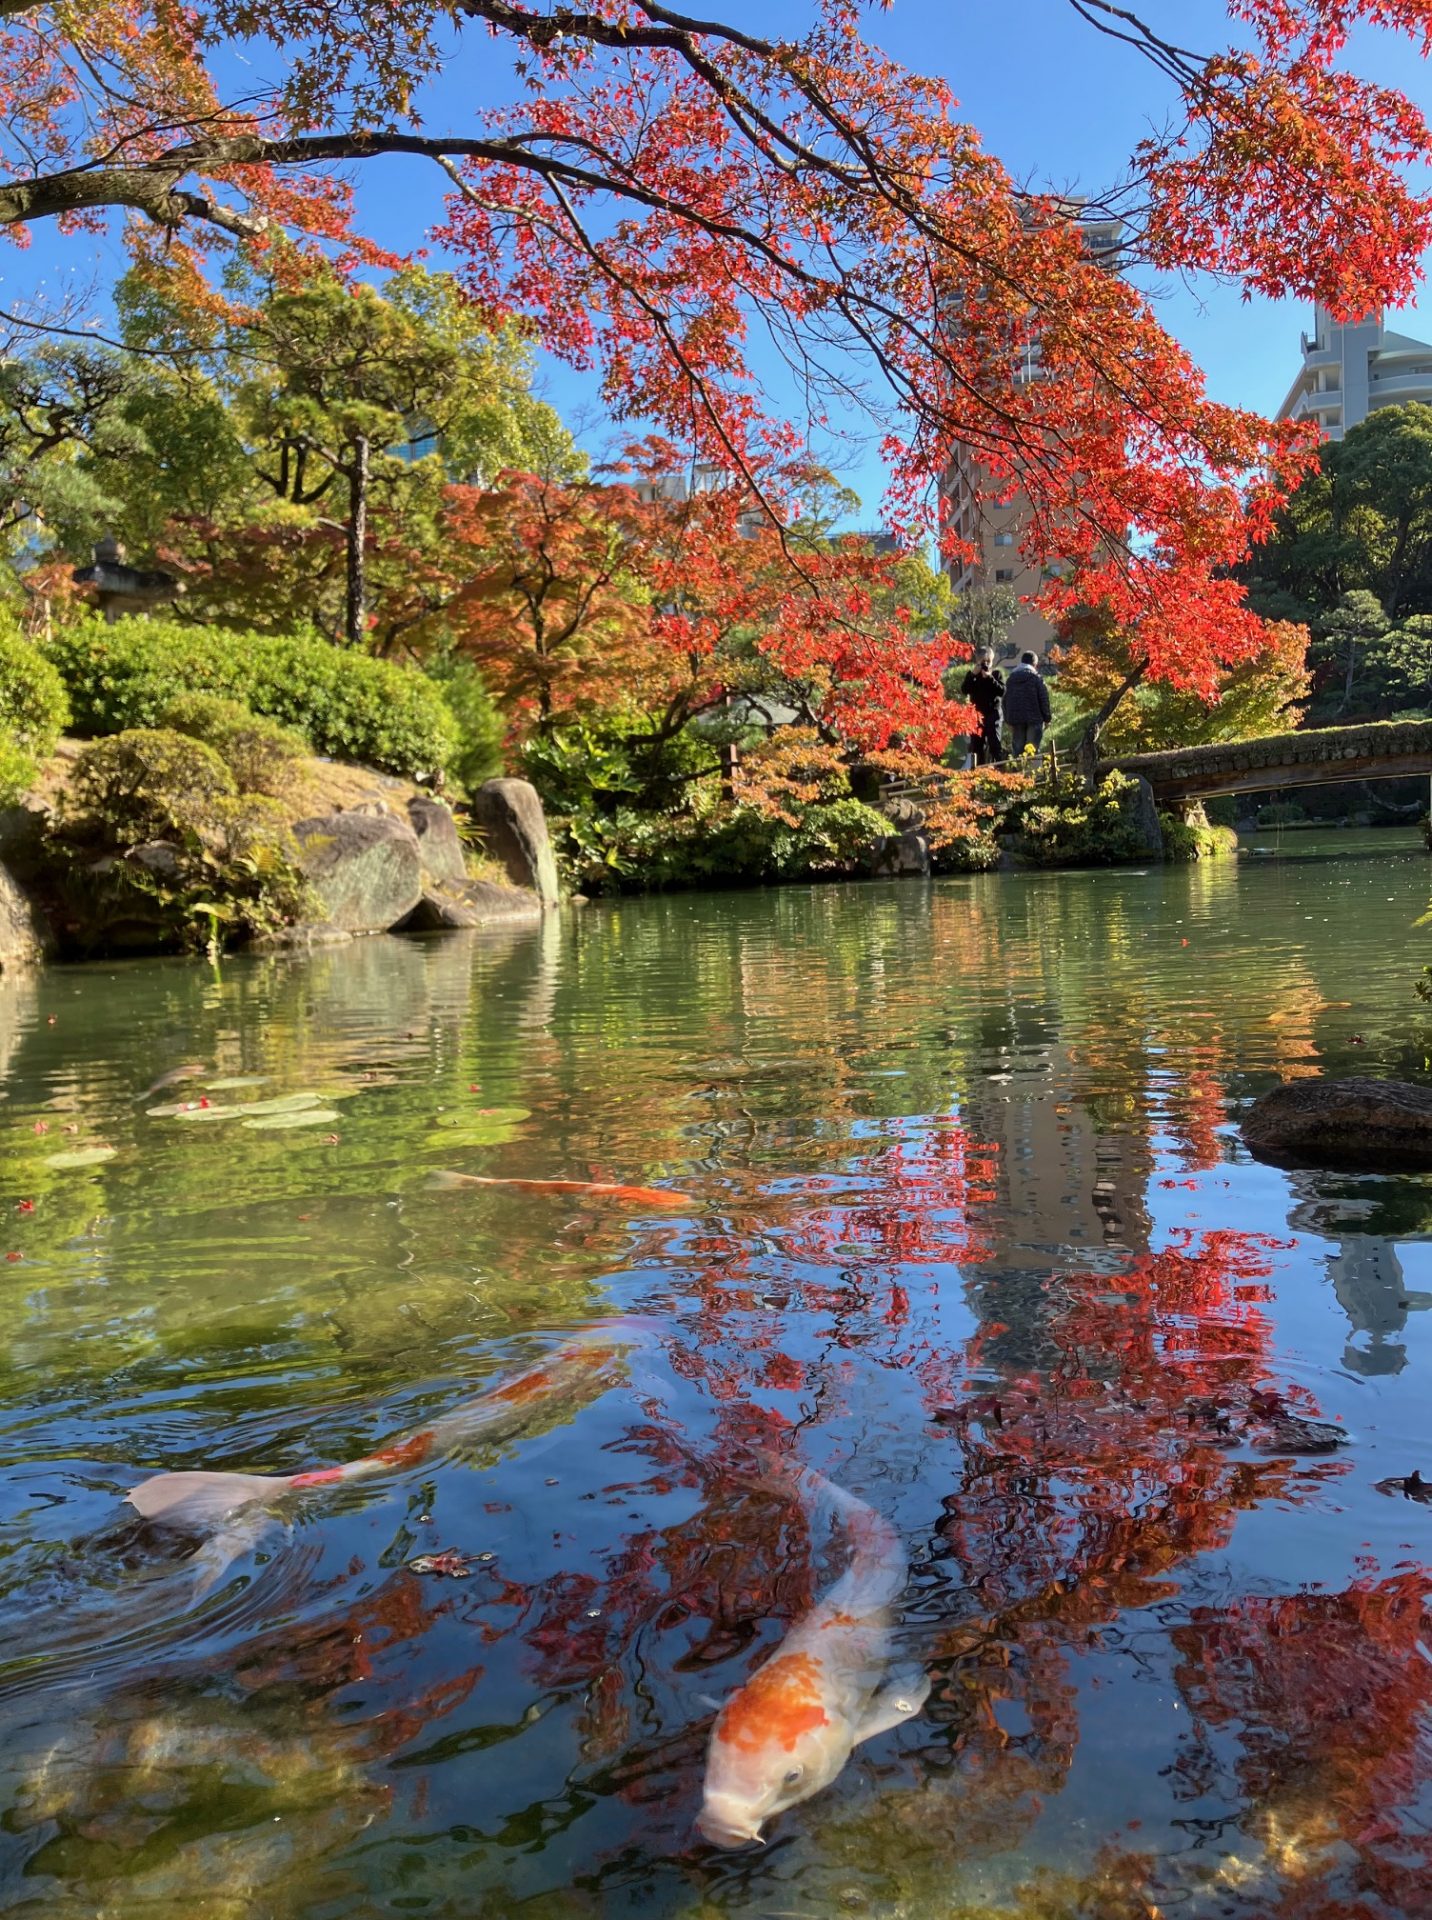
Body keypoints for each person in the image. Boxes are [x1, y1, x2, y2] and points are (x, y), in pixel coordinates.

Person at [1002, 649, 1051, 757]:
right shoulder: (1036, 679)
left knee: (1018, 752)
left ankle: (1018, 768)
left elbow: (1004, 700)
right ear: (1034, 664)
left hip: (1015, 719)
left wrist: (1007, 720)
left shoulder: (1010, 679)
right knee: (1032, 751)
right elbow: (1043, 699)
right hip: (1034, 719)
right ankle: (1031, 768)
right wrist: (1047, 718)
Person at [960, 649, 1005, 765]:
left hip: (993, 714)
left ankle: (999, 767)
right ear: (977, 661)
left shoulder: (996, 674)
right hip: (977, 715)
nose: (986, 664)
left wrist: (990, 678)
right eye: (983, 662)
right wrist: (973, 675)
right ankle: (978, 769)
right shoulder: (973, 675)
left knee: (995, 743)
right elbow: (964, 689)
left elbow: (1002, 691)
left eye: (988, 661)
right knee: (977, 745)